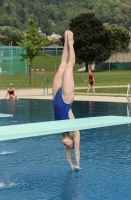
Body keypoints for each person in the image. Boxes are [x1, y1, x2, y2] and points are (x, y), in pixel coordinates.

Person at [52, 30, 81, 171]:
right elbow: (76, 151)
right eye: (69, 145)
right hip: (65, 100)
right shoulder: (75, 130)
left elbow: (67, 154)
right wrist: (78, 165)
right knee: (69, 67)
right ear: (73, 141)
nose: (66, 146)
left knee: (62, 66)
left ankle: (65, 41)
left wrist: (70, 165)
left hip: (55, 96)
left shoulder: (62, 133)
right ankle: (71, 43)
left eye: (66, 146)